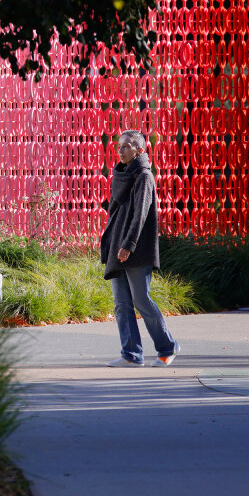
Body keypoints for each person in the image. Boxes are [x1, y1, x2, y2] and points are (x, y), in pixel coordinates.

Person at [101, 130, 179, 367]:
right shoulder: (121, 175)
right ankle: (131, 354)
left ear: (140, 151)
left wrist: (129, 244)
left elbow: (141, 215)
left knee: (141, 300)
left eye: (126, 146)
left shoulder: (144, 176)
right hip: (117, 246)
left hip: (135, 248)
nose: (121, 150)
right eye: (119, 146)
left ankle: (167, 347)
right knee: (121, 304)